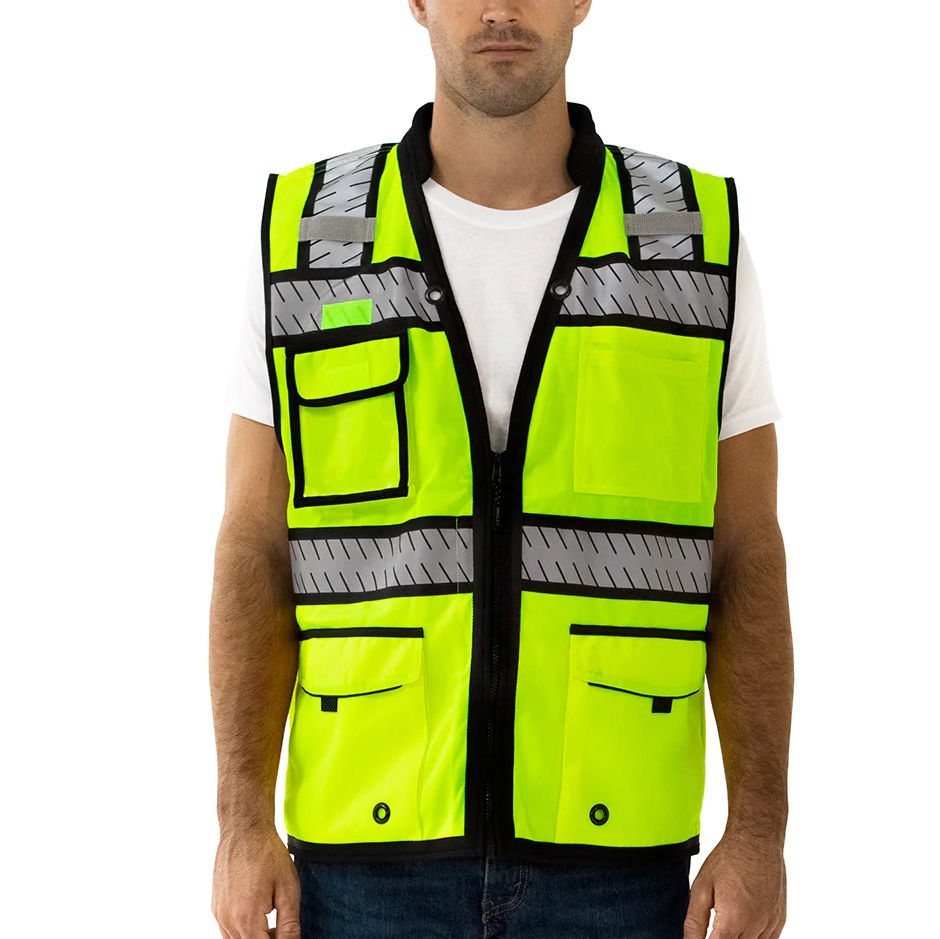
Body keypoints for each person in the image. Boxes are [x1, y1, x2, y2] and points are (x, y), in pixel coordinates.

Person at [209, 2, 793, 937]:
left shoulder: (689, 243)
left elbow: (747, 553)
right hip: (363, 862)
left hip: (617, 863)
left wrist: (759, 830)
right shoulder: (310, 237)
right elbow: (255, 547)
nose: (499, 8)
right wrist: (241, 824)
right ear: (416, 3)